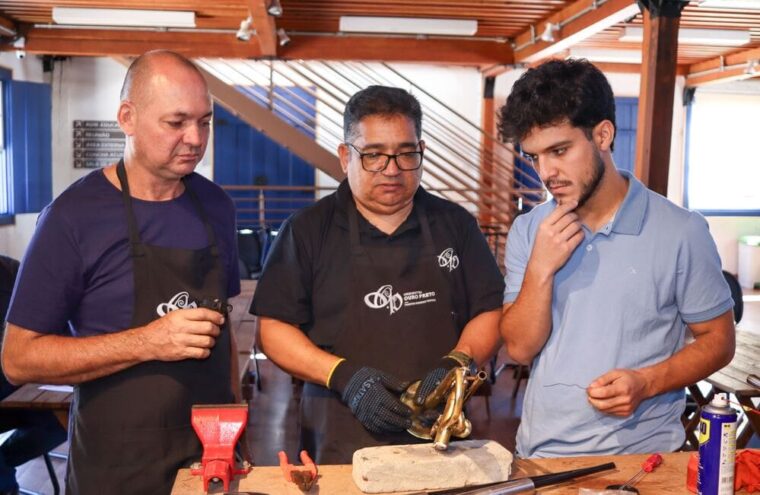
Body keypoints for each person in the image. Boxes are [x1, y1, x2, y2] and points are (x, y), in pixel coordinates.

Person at [1, 50, 241, 494]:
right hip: (115, 467)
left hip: (208, 460)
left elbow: (223, 332)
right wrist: (149, 341)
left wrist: (237, 424)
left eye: (204, 122)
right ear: (127, 118)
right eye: (176, 122)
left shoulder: (217, 207)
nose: (195, 138)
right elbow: (18, 359)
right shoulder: (72, 218)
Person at [250, 85, 505, 464]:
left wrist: (459, 361)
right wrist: (344, 377)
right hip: (338, 433)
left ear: (422, 151)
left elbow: (489, 310)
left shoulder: (456, 225)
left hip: (439, 431)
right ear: (345, 156)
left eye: (406, 153)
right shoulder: (306, 230)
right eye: (373, 155)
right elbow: (274, 330)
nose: (392, 169)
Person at [497, 59, 735, 458]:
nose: (546, 172)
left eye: (559, 150)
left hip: (644, 457)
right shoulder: (530, 229)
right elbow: (519, 349)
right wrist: (540, 268)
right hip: (541, 454)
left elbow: (719, 341)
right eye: (534, 157)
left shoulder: (681, 231)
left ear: (603, 134)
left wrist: (648, 382)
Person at [0, 255, 67, 495]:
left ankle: (4, 465)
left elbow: (54, 327)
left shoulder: (11, 272)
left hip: (23, 386)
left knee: (64, 418)